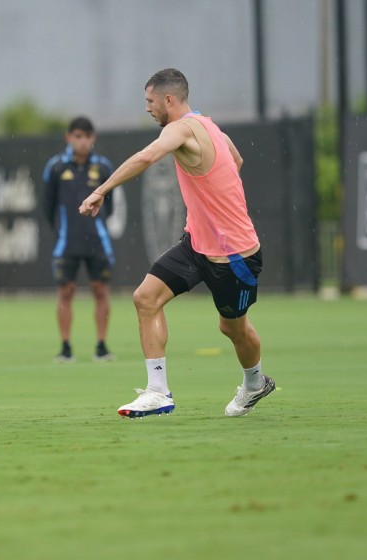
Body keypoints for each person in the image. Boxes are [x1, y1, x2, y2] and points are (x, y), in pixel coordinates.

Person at [79, 68, 275, 418]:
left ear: (169, 100)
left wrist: (100, 191)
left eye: (150, 101)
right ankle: (158, 392)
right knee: (145, 298)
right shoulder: (209, 125)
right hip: (196, 244)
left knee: (232, 327)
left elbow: (146, 158)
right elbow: (237, 160)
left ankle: (256, 383)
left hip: (235, 255)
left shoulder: (180, 128)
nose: (147, 108)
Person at [42, 116, 116, 363]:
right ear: (68, 137)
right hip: (67, 242)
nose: (82, 141)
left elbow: (110, 206)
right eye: (77, 136)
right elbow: (48, 206)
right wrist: (65, 228)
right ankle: (65, 347)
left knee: (101, 291)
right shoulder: (56, 167)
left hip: (97, 241)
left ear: (93, 138)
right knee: (66, 292)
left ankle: (102, 346)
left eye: (87, 136)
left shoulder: (104, 167)